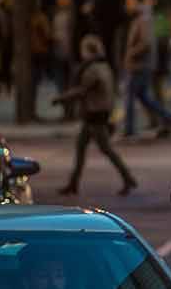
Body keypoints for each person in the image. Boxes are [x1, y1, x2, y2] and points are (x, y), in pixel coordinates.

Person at [56, 34, 137, 197]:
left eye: (83, 50)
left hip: (95, 114)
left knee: (106, 149)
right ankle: (73, 183)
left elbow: (82, 90)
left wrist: (62, 98)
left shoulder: (93, 69)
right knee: (81, 147)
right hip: (96, 114)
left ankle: (128, 178)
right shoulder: (104, 66)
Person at [121, 0, 171, 139]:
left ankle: (129, 129)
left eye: (129, 1)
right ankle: (168, 119)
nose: (127, 5)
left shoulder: (143, 18)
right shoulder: (140, 17)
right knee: (143, 97)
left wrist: (130, 54)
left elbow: (146, 42)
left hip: (139, 65)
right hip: (142, 64)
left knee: (130, 97)